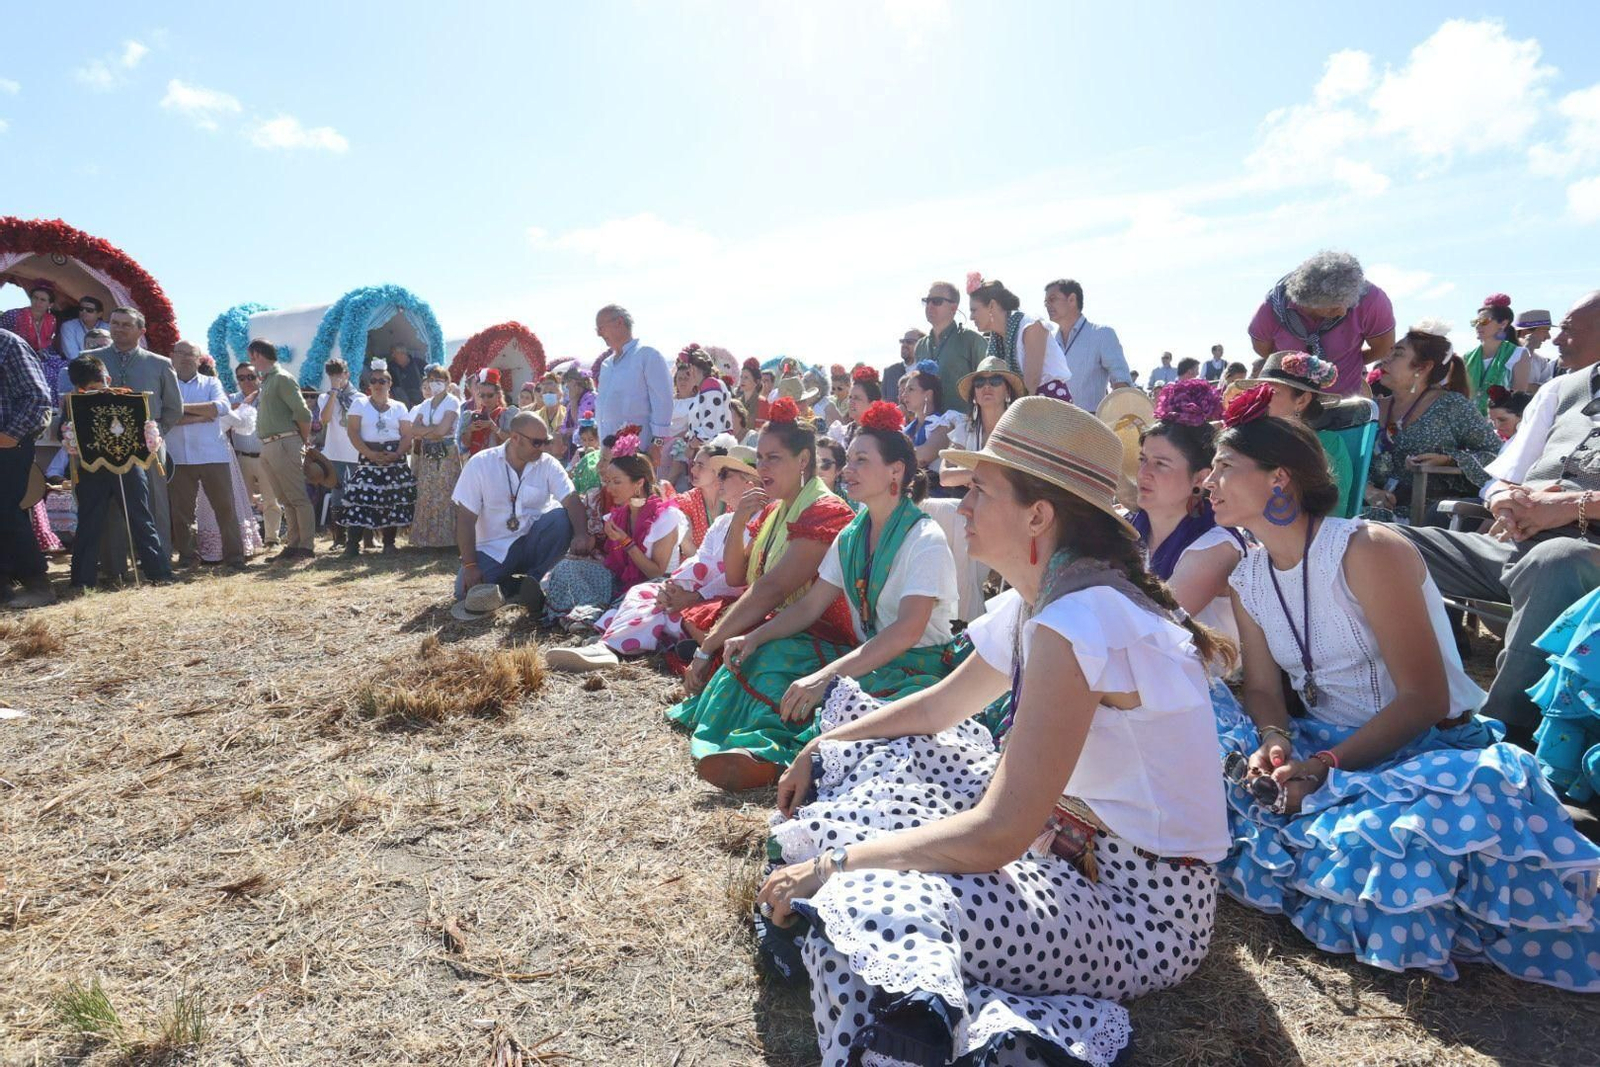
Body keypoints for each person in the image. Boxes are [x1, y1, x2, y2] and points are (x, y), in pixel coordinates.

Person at [755, 396, 1232, 1065]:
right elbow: (936, 710)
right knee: (887, 759)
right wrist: (825, 741)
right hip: (1059, 852)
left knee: (863, 888)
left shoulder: (1082, 619)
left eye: (980, 489)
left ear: (1039, 515)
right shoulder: (1050, 599)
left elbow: (999, 831)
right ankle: (909, 997)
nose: (963, 505)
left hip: (1134, 910)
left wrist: (834, 865)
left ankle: (924, 1019)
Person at [1203, 400, 1600, 988]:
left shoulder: (1366, 548)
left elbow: (1423, 699)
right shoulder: (1249, 576)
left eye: (1224, 465)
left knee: (1404, 847)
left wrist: (1324, 766)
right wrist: (1275, 740)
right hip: (1321, 744)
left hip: (1425, 751)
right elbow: (1263, 688)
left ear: (1278, 477)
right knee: (1203, 716)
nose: (1208, 481)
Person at [680, 402, 962, 790]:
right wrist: (753, 637)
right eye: (850, 460)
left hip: (914, 665)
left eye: (862, 461)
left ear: (895, 470)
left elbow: (906, 633)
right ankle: (758, 748)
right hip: (863, 657)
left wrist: (823, 677)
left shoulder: (923, 538)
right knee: (769, 654)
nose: (848, 470)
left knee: (845, 703)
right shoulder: (852, 535)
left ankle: (772, 757)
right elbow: (809, 606)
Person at [1398, 291, 1600, 735]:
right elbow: (1500, 474)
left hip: (1584, 556)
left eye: (1568, 327)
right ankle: (1384, 701)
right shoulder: (1561, 388)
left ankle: (1503, 733)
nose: (1556, 339)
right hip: (1518, 543)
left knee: (1556, 560)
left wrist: (1571, 505)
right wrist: (1502, 500)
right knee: (1379, 540)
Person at [667, 399, 856, 756]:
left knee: (759, 653)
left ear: (802, 461)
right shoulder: (774, 507)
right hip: (784, 622)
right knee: (732, 637)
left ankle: (763, 746)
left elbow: (772, 588)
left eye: (773, 458)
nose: (762, 466)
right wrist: (738, 522)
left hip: (822, 631)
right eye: (760, 457)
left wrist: (709, 647)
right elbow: (740, 576)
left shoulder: (826, 509)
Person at [570, 441, 761, 665]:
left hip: (721, 600)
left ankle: (610, 646)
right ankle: (609, 643)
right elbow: (699, 560)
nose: (719, 479)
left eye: (725, 474)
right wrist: (675, 587)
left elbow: (739, 578)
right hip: (690, 591)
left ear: (750, 483)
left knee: (664, 608)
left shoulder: (761, 522)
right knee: (644, 594)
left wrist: (693, 595)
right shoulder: (723, 522)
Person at [1130, 378, 1242, 644]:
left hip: (1203, 682)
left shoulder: (1216, 547)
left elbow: (1153, 630)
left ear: (1200, 478)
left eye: (1161, 464)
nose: (1144, 473)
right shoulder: (1131, 526)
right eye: (1143, 460)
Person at [1364, 322, 1500, 523]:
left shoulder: (1451, 405)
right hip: (1368, 509)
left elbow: (1498, 457)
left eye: (1398, 354)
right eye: (1390, 352)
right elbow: (1348, 461)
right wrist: (1368, 490)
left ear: (1423, 367)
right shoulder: (1372, 409)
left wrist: (1449, 459)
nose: (1386, 359)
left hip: (1425, 517)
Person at [59, 353, 173, 593]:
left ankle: (159, 573)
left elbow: (145, 426)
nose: (97, 393)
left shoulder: (129, 398)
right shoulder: (74, 404)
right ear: (79, 388)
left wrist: (149, 436)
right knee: (89, 523)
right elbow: (62, 434)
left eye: (100, 386)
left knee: (141, 519)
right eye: (90, 389)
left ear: (108, 378)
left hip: (129, 468)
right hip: (91, 471)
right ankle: (82, 580)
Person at [453, 411, 584, 603]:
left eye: (546, 441)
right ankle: (512, 585)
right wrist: (471, 565)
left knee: (560, 518)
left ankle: (535, 580)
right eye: (536, 443)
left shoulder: (548, 464)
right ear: (515, 438)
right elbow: (465, 519)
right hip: (493, 548)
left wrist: (582, 534)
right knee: (463, 593)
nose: (542, 448)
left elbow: (571, 500)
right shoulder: (480, 464)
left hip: (533, 541)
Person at [97, 307, 183, 561]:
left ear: (140, 331)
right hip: (106, 443)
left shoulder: (160, 363)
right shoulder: (91, 359)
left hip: (149, 442)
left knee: (153, 499)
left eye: (126, 324)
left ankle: (158, 560)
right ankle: (114, 565)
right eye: (115, 323)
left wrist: (156, 433)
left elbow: (173, 408)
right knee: (112, 501)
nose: (119, 328)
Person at [1250, 250, 1396, 397]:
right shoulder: (1270, 309)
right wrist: (1295, 366)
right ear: (1307, 303)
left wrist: (1348, 362)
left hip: (1345, 402)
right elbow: (1263, 350)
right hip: (1289, 405)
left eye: (1349, 303)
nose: (1342, 312)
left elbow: (1384, 347)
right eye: (1334, 307)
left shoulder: (1371, 300)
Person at [1236, 352, 1355, 513]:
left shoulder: (1328, 445)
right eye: (1259, 390)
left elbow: (1331, 515)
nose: (1260, 398)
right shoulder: (1253, 439)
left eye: (1271, 391)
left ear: (1302, 400)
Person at [166, 340, 246, 570]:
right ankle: (188, 558)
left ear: (198, 358)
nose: (183, 358)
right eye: (179, 353)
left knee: (225, 509)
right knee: (181, 514)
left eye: (189, 354)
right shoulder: (167, 384)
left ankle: (235, 558)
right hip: (178, 457)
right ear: (171, 356)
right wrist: (202, 414)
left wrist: (180, 410)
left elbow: (221, 408)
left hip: (213, 456)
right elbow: (166, 416)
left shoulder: (212, 382)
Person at [0, 327, 55, 607]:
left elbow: (37, 398)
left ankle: (38, 585)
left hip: (8, 446)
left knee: (6, 512)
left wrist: (8, 436)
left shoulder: (7, 343)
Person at [190, 354, 263, 565]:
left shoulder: (189, 400)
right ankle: (229, 546)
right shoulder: (217, 403)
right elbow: (241, 424)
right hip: (219, 454)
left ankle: (211, 548)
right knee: (226, 501)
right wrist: (246, 406)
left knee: (206, 502)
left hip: (194, 454)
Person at [339, 360, 416, 556]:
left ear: (389, 384)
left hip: (394, 458)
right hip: (368, 457)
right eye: (374, 380)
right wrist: (370, 454)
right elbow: (353, 432)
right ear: (369, 384)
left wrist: (397, 454)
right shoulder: (359, 404)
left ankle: (389, 543)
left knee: (392, 500)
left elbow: (407, 434)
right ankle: (352, 544)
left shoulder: (399, 407)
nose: (378, 384)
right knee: (360, 500)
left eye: (382, 380)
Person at [249, 339, 315, 561]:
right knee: (286, 499)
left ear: (258, 354)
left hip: (285, 442)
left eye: (252, 356)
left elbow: (303, 413)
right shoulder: (268, 381)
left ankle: (306, 546)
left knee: (297, 497)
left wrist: (301, 441)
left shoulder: (282, 379)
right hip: (270, 445)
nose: (251, 362)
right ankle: (294, 544)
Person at [593, 304, 673, 453]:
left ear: (619, 322)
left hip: (638, 452)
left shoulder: (647, 355)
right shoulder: (607, 365)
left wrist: (658, 443)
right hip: (608, 452)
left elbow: (663, 403)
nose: (599, 334)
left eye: (601, 328)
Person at [1041, 277, 1129, 408]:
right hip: (1054, 424)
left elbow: (1122, 383)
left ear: (1072, 299)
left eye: (1052, 299)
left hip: (1090, 423)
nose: (1047, 305)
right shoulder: (1049, 341)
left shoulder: (1102, 334)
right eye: (1046, 302)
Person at [228, 361, 281, 550]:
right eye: (241, 378)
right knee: (241, 502)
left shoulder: (269, 398)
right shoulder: (231, 400)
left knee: (271, 500)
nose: (246, 381)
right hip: (240, 457)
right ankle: (246, 540)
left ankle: (272, 539)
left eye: (250, 376)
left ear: (259, 377)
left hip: (266, 455)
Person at [409, 364, 462, 549]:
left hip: (446, 454)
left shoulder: (452, 401)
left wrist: (425, 431)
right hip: (428, 454)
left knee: (445, 492)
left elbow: (443, 430)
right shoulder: (425, 404)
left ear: (447, 382)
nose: (434, 384)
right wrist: (431, 432)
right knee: (427, 493)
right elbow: (413, 429)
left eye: (438, 381)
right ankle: (426, 540)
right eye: (431, 381)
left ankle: (447, 540)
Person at [913, 280, 987, 413]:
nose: (929, 305)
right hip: (929, 426)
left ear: (953, 308)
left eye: (936, 301)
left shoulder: (972, 340)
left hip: (963, 427)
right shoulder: (921, 346)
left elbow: (989, 386)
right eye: (927, 301)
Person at [966, 274, 1045, 385]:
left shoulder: (1030, 326)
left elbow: (1033, 380)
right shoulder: (996, 340)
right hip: (1022, 400)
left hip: (1049, 399)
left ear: (991, 306)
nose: (971, 317)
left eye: (974, 310)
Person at [1463, 294, 1532, 411]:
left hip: (1500, 422)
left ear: (1503, 324)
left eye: (1484, 321)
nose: (1478, 325)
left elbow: (1518, 397)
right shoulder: (1467, 357)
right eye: (1476, 321)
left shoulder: (1519, 354)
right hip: (1468, 423)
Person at [677, 344, 733, 444]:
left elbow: (710, 426)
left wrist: (692, 445)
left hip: (711, 450)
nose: (688, 375)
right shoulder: (709, 386)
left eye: (688, 372)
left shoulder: (710, 385)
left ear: (692, 369)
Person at [459, 369, 512, 457]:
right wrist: (469, 430)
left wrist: (493, 427)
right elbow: (466, 445)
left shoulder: (505, 414)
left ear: (498, 394)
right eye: (482, 395)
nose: (486, 399)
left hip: (497, 462)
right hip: (477, 461)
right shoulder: (472, 415)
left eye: (490, 395)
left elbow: (511, 441)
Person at [0, 281, 59, 355]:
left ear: (50, 304)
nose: (38, 302)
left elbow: (48, 343)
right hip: (14, 354)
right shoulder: (13, 314)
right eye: (35, 298)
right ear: (30, 298)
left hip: (41, 355)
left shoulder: (52, 320)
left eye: (42, 300)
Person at [1513, 308, 1558, 388]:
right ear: (1525, 333)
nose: (1548, 337)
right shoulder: (1501, 356)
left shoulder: (1541, 362)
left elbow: (1548, 390)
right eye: (1545, 330)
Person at [558, 366, 596, 459]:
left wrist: (574, 401)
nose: (566, 388)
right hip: (572, 450)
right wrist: (566, 431)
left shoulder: (591, 398)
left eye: (567, 385)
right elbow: (563, 427)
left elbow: (580, 423)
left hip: (588, 448)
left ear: (575, 383)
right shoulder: (571, 403)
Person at [55, 295, 104, 361]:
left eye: (89, 310)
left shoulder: (108, 328)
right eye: (81, 309)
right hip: (77, 365)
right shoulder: (68, 326)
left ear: (99, 314)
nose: (84, 312)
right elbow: (72, 354)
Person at [881, 328, 923, 403]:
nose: (904, 345)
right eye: (902, 342)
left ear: (921, 345)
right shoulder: (890, 372)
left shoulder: (925, 371)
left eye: (909, 342)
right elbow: (884, 402)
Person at [567, 417, 602, 494]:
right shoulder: (579, 452)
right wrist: (574, 469)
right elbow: (568, 470)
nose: (587, 443)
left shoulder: (601, 453)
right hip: (581, 488)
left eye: (591, 439)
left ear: (598, 439)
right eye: (584, 440)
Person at [383, 344, 424, 408]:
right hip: (402, 399)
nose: (392, 356)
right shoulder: (391, 366)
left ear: (403, 353)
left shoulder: (418, 363)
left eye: (394, 353)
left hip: (420, 396)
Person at [736, 357, 769, 428]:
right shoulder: (737, 402)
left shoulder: (762, 403)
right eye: (741, 377)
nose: (742, 381)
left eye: (746, 377)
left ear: (756, 381)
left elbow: (762, 429)